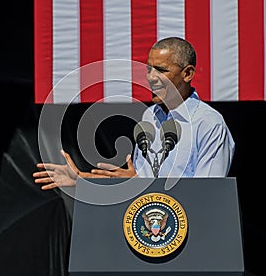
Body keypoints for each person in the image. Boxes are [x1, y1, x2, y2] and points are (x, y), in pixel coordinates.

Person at [33, 36, 235, 189]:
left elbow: (208, 194)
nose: (151, 78)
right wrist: (82, 179)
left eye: (161, 70)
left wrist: (139, 184)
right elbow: (134, 180)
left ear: (188, 73)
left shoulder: (208, 124)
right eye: (148, 70)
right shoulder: (150, 117)